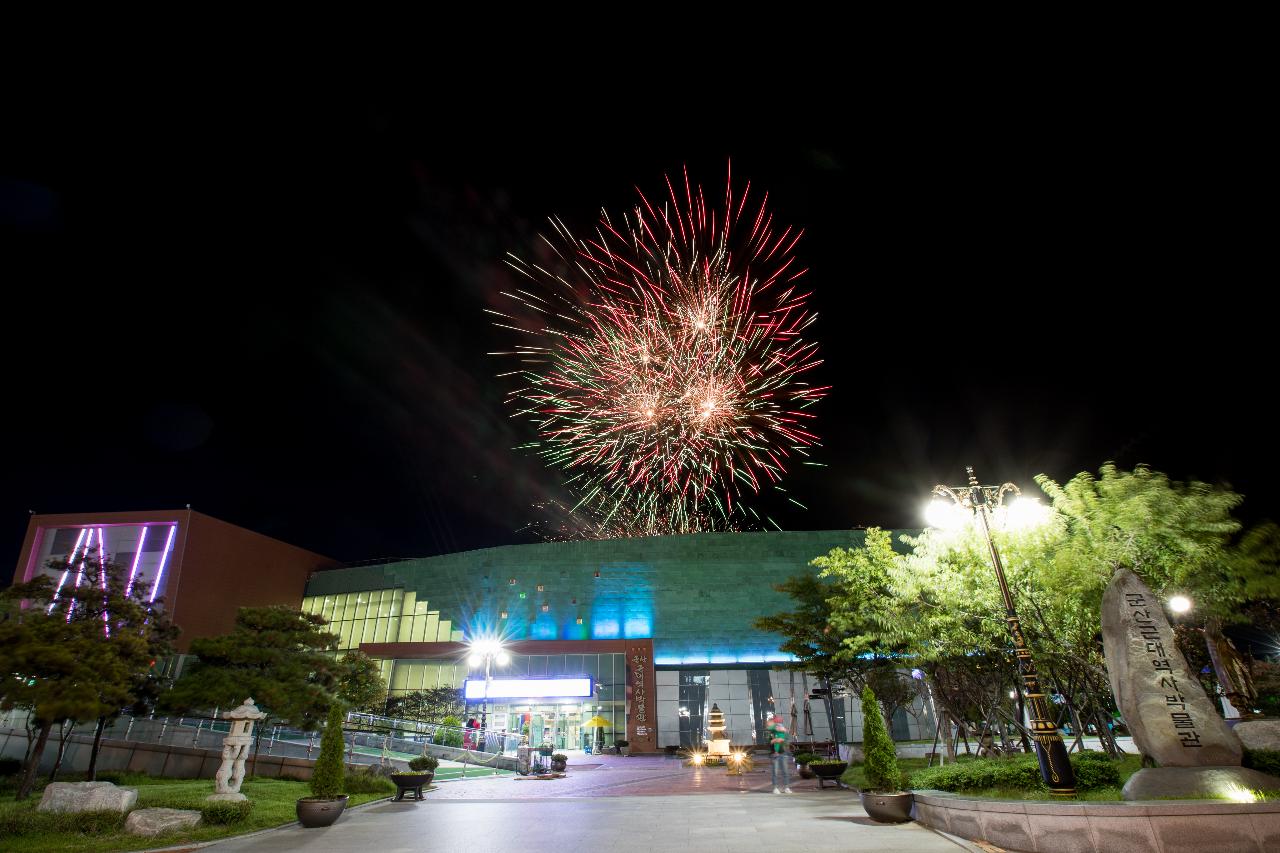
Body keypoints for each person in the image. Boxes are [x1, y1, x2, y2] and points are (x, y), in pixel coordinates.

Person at [766, 713, 792, 794]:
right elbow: (769, 742)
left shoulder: (781, 729)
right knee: (775, 772)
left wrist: (781, 737)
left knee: (785, 771)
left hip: (783, 753)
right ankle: (775, 788)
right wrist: (775, 740)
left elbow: (787, 739)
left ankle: (787, 787)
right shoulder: (770, 732)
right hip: (774, 754)